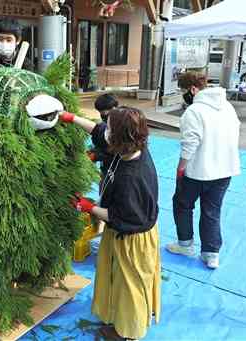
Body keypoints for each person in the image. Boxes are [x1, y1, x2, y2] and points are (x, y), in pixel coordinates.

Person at [61, 107, 161, 340]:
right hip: (121, 232)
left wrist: (87, 207)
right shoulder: (132, 147)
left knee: (131, 286)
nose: (105, 131)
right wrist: (71, 118)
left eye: (111, 130)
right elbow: (98, 131)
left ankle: (128, 332)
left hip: (132, 239)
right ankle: (122, 314)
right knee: (120, 279)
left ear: (118, 140)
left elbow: (121, 217)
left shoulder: (131, 179)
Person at [166, 72, 240, 269]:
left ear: (192, 89)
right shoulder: (227, 106)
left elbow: (190, 143)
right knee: (212, 210)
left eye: (183, 91)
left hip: (198, 171)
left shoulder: (194, 111)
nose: (183, 96)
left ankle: (185, 244)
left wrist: (180, 168)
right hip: (225, 170)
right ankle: (211, 253)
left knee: (182, 204)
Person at [88, 94, 119, 186]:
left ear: (114, 108)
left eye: (105, 114)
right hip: (106, 167)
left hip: (117, 169)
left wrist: (96, 156)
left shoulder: (121, 126)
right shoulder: (106, 123)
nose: (103, 117)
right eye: (101, 114)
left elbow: (114, 151)